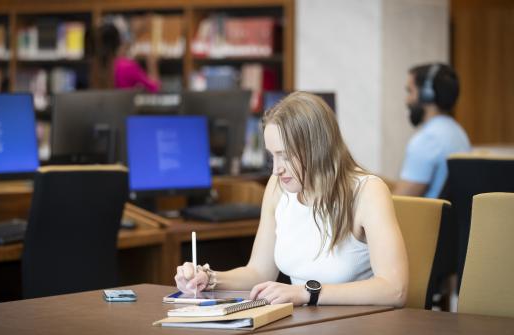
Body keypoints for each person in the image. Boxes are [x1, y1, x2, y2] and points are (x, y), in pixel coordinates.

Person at [175, 92, 408, 307]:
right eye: (272, 156)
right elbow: (258, 272)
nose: (276, 170)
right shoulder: (277, 187)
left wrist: (308, 293)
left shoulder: (367, 192)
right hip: (305, 322)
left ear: (317, 149)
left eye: (285, 156)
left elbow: (394, 290)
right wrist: (209, 278)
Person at [393, 63, 471, 198]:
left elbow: (401, 201)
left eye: (410, 91)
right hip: (449, 218)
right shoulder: (458, 132)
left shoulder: (428, 139)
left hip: (425, 219)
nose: (407, 99)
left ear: (427, 94)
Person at [95, 22, 160, 92]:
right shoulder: (127, 66)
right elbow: (154, 88)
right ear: (118, 42)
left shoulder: (94, 67)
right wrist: (152, 64)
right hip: (123, 102)